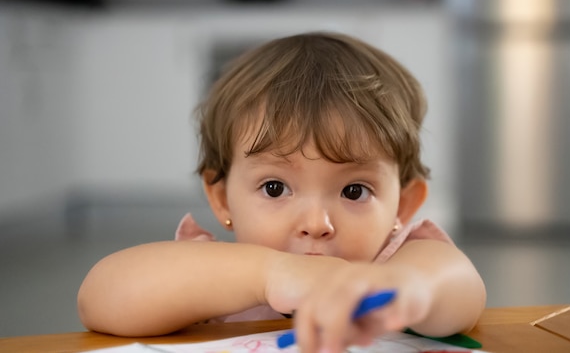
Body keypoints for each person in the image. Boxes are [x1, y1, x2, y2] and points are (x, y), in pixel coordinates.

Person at [77, 32, 486, 353]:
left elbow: (460, 289)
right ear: (221, 199)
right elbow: (100, 298)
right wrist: (269, 274)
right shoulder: (207, 272)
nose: (316, 225)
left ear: (404, 203)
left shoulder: (399, 261)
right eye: (275, 188)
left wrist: (405, 290)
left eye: (354, 190)